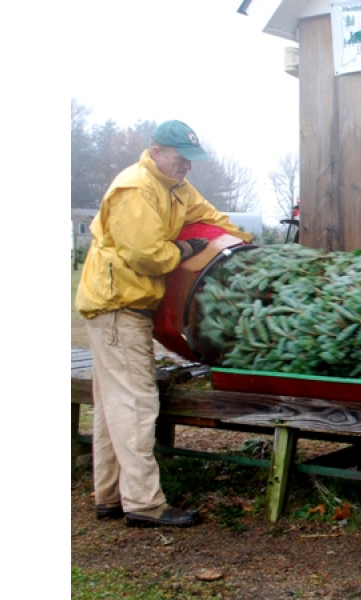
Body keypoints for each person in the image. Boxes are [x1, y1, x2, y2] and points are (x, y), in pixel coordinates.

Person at [75, 120, 253, 527]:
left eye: (191, 160)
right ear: (156, 151)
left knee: (111, 405)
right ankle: (143, 504)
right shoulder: (136, 189)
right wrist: (182, 250)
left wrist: (248, 249)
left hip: (125, 305)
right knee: (137, 403)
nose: (187, 166)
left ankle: (110, 496)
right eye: (180, 158)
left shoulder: (176, 188)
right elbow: (146, 256)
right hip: (118, 304)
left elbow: (213, 217)